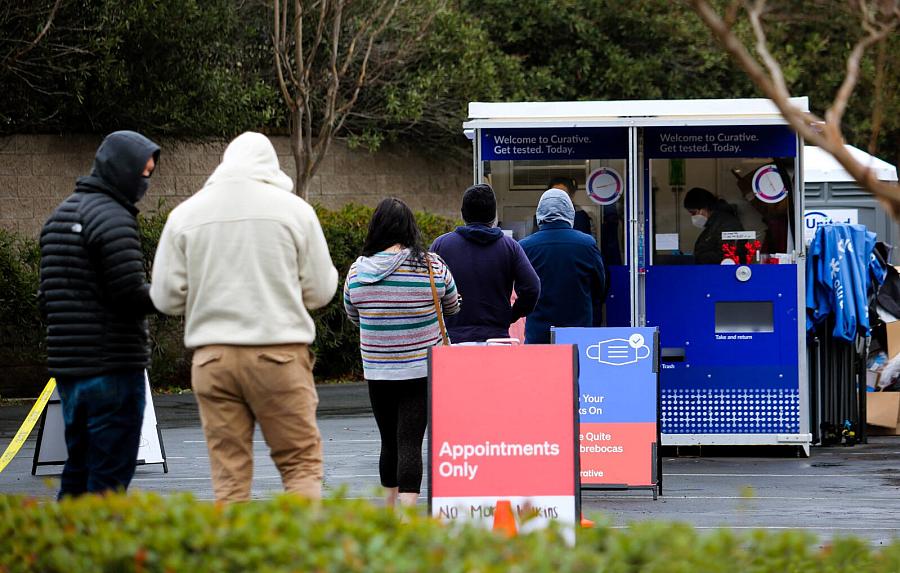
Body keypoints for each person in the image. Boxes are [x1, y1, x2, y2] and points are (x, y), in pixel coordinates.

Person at [150, 132, 338, 502]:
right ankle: (300, 556)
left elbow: (165, 298)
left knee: (229, 476)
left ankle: (234, 557)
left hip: (213, 358)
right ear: (272, 168)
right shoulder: (295, 211)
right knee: (299, 464)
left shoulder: (185, 214)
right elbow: (320, 290)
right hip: (279, 355)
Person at [38, 130, 160, 498]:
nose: (146, 183)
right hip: (114, 367)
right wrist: (171, 294)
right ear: (123, 170)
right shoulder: (114, 218)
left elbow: (46, 300)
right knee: (110, 474)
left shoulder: (59, 216)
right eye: (143, 173)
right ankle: (96, 549)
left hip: (69, 370)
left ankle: (66, 547)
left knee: (78, 467)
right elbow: (129, 296)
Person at [343, 197, 460, 507]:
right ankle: (407, 517)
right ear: (410, 228)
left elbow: (353, 314)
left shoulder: (358, 270)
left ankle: (389, 509)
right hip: (420, 369)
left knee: (389, 441)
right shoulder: (432, 265)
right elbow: (451, 306)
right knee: (410, 441)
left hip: (378, 368)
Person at [430, 184, 540, 343]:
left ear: (463, 213)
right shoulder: (510, 247)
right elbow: (532, 288)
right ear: (494, 214)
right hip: (497, 340)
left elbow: (429, 289)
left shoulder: (441, 245)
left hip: (453, 340)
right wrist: (511, 315)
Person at [519, 189, 606, 344]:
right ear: (569, 212)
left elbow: (520, 291)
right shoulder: (586, 244)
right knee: (575, 368)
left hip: (538, 335)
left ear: (540, 213)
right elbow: (600, 288)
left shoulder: (525, 247)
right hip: (578, 334)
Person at [683, 187, 745, 264]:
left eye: (693, 213)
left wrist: (699, 257)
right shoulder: (713, 225)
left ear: (704, 208)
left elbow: (727, 254)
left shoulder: (727, 224)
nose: (692, 216)